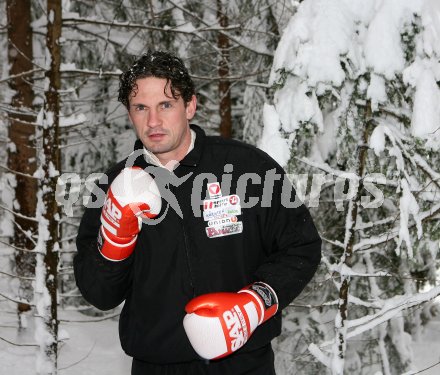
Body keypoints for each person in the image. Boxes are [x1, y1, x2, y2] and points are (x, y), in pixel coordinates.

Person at [74, 50, 321, 375]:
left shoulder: (247, 169)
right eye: (141, 108)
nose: (153, 121)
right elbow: (99, 293)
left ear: (189, 105)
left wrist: (256, 301)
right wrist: (113, 244)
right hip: (156, 367)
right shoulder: (113, 185)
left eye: (165, 105)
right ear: (129, 113)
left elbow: (301, 247)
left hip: (244, 365)